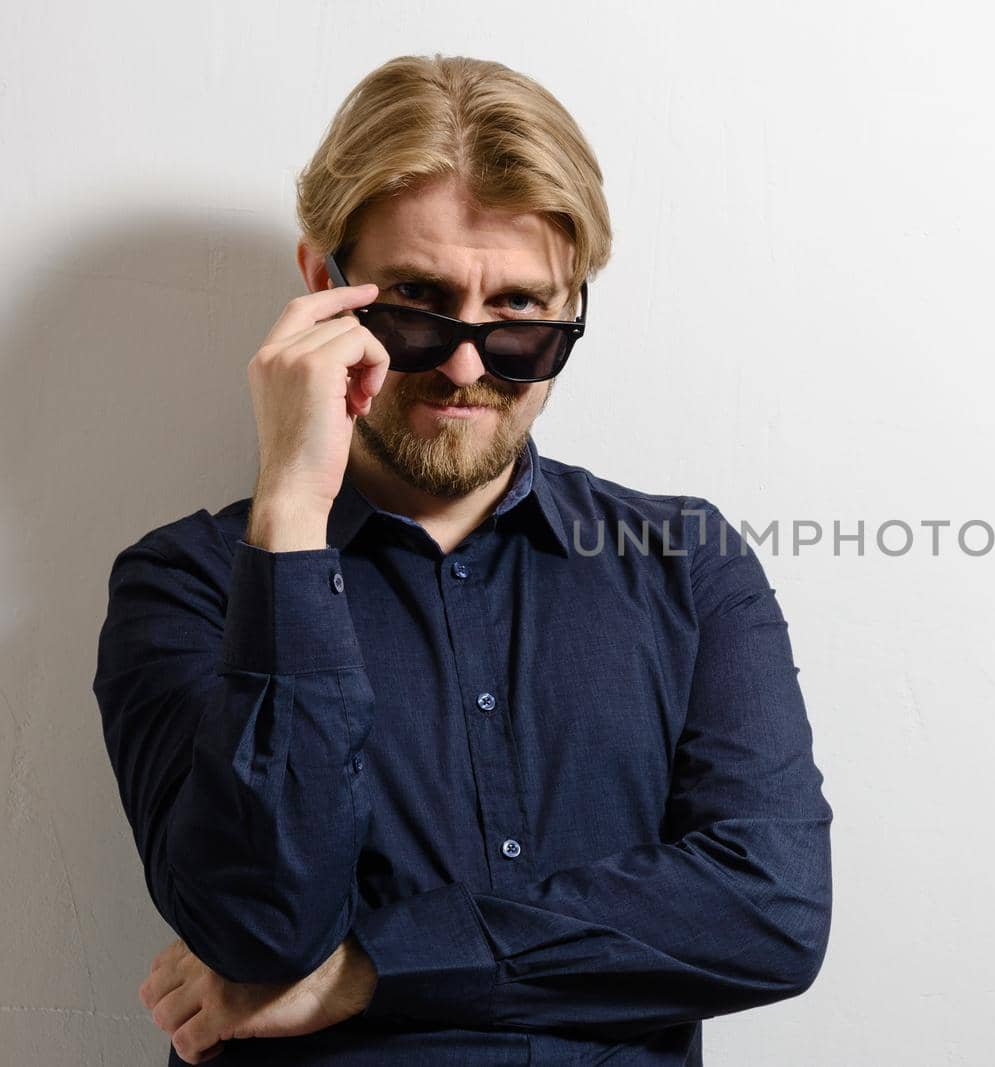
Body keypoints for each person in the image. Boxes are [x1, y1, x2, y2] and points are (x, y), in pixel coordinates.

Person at [91, 53, 833, 1066]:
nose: (467, 366)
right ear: (322, 284)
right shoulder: (193, 582)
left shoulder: (687, 564)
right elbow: (258, 929)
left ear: (573, 306)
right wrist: (294, 509)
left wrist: (364, 967)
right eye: (418, 304)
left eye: (521, 316)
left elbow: (769, 910)